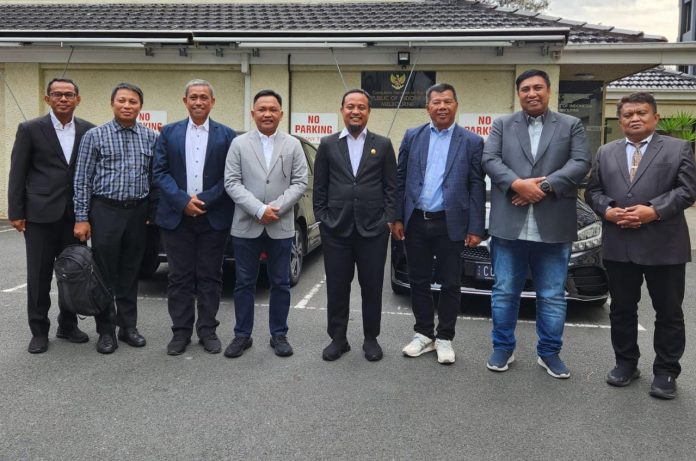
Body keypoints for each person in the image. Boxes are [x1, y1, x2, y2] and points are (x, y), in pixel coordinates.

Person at [585, 92, 696, 399]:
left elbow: (687, 190)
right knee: (621, 309)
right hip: (620, 244)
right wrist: (606, 208)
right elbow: (592, 191)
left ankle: (666, 371)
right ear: (620, 120)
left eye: (641, 113)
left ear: (655, 117)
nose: (634, 118)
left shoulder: (677, 148)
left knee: (669, 311)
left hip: (664, 245)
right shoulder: (606, 152)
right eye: (627, 114)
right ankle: (626, 363)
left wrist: (654, 210)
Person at [482, 69, 591, 378]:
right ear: (519, 94)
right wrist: (518, 184)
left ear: (548, 90)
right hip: (509, 226)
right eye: (526, 88)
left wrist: (540, 188)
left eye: (537, 88)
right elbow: (489, 160)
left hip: (553, 225)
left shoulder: (570, 125)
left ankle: (549, 353)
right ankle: (503, 347)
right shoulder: (503, 125)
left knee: (552, 294)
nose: (532, 93)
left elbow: (581, 162)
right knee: (504, 291)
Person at [391, 83, 485, 365]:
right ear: (427, 107)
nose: (442, 106)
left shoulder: (471, 142)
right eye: (436, 102)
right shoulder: (412, 136)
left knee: (450, 283)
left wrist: (476, 227)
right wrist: (396, 217)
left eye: (447, 101)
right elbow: (400, 177)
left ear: (456, 105)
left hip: (450, 223)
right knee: (417, 280)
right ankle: (423, 335)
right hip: (416, 221)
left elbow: (476, 185)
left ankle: (444, 338)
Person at [8, 78, 95, 354]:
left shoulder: (89, 131)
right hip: (40, 216)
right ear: (48, 99)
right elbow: (17, 172)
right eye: (57, 94)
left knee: (73, 274)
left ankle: (67, 325)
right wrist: (16, 212)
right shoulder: (31, 129)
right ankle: (39, 330)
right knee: (39, 276)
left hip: (75, 216)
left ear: (78, 99)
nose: (63, 99)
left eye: (69, 94)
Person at [73, 82, 158, 354]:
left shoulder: (151, 137)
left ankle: (128, 327)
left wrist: (151, 213)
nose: (127, 105)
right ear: (113, 104)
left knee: (131, 272)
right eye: (122, 100)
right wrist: (81, 217)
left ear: (140, 107)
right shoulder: (95, 136)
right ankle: (105, 330)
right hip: (105, 211)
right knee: (104, 274)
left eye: (133, 101)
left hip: (137, 213)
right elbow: (82, 180)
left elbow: (155, 179)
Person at [153, 79, 236, 356]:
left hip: (213, 217)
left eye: (204, 97)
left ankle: (208, 331)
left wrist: (204, 200)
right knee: (179, 277)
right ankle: (180, 332)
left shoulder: (227, 135)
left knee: (210, 276)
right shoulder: (168, 133)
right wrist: (182, 201)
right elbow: (160, 172)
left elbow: (231, 176)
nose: (198, 102)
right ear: (185, 101)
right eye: (193, 97)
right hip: (177, 218)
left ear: (212, 102)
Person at [313, 89, 397, 362]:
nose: (356, 111)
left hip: (372, 230)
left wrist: (387, 219)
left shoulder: (382, 145)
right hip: (336, 230)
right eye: (350, 106)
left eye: (361, 107)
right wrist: (323, 218)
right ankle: (338, 339)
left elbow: (391, 188)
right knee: (337, 286)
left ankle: (370, 338)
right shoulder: (327, 144)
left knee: (372, 287)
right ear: (342, 110)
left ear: (368, 111)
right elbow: (320, 187)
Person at [223, 89, 307, 358]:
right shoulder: (239, 144)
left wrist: (276, 208)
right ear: (253, 113)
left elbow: (300, 182)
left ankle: (279, 334)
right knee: (244, 283)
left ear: (281, 114)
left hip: (280, 226)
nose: (267, 114)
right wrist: (258, 209)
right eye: (262, 109)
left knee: (280, 282)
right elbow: (231, 182)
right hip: (247, 224)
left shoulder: (292, 144)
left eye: (273, 109)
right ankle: (242, 335)